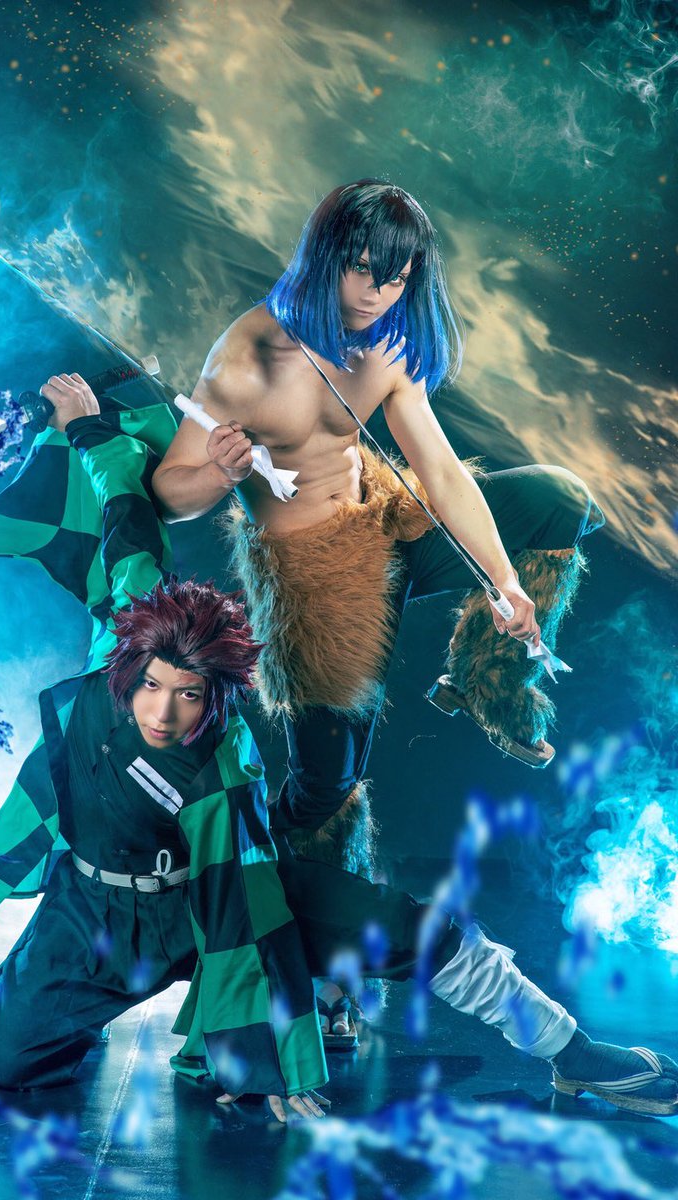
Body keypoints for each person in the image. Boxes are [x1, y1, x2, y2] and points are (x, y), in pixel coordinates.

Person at [0, 377, 676, 1121]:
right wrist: (85, 425)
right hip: (90, 917)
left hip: (208, 901)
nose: (164, 713)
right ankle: (85, 1010)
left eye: (190, 696)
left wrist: (263, 1060)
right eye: (152, 686)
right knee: (1, 1059)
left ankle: (572, 1053)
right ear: (129, 659)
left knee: (410, 930)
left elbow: (240, 907)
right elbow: (125, 517)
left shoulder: (224, 763)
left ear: (219, 694)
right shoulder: (123, 630)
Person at [150, 178, 605, 958]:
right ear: (326, 256)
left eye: (395, 278)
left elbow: (442, 473)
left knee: (559, 499)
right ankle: (273, 924)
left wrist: (504, 583)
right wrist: (219, 472)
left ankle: (491, 683)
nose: (377, 292)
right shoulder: (248, 361)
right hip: (318, 592)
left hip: (390, 530)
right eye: (362, 269)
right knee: (327, 788)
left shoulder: (385, 342)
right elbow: (167, 494)